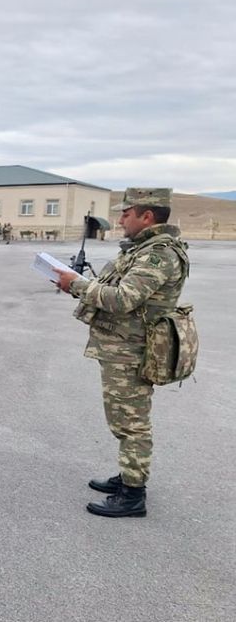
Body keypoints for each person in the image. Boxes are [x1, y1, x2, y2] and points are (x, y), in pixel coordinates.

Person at [55, 187, 189, 518]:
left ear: (147, 216)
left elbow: (123, 299)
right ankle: (127, 475)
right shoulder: (141, 249)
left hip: (133, 350)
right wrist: (79, 284)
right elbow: (112, 290)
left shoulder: (158, 254)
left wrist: (76, 284)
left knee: (132, 422)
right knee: (121, 418)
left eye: (126, 214)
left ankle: (133, 495)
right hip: (120, 346)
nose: (120, 220)